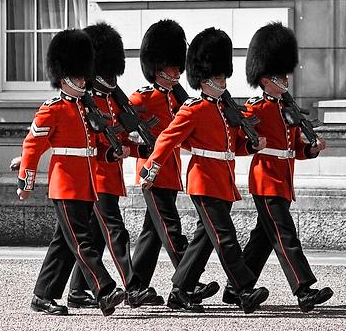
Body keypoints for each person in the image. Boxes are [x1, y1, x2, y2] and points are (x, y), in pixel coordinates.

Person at [139, 27, 269, 314]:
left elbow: (233, 146)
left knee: (205, 240)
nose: (223, 82)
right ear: (203, 79)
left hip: (223, 179)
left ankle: (180, 290)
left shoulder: (223, 110)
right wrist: (152, 167)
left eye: (224, 76)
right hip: (204, 180)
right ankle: (244, 289)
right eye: (218, 77)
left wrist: (253, 146)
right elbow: (167, 138)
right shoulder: (193, 108)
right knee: (225, 237)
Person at [221, 22, 333, 313]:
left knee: (263, 238)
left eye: (285, 74)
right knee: (285, 234)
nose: (286, 79)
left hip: (284, 179)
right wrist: (252, 145)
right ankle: (303, 289)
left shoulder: (288, 110)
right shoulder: (254, 108)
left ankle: (235, 289)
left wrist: (312, 148)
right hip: (266, 179)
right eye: (280, 75)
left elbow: (294, 149)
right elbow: (235, 143)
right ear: (265, 78)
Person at [17, 29, 125, 316]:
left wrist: (111, 152)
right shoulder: (51, 109)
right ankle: (104, 288)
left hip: (86, 184)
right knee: (82, 240)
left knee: (64, 243)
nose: (82, 80)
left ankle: (43, 295)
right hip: (65, 185)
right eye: (77, 77)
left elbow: (97, 146)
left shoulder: (86, 108)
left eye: (82, 75)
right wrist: (26, 181)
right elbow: (32, 145)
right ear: (63, 77)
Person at [66, 22, 159, 310]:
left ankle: (78, 292)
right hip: (94, 177)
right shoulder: (86, 101)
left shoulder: (112, 99)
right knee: (116, 230)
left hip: (109, 175)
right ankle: (133, 286)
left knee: (94, 235)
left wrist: (138, 148)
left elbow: (119, 137)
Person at [129, 19, 219, 305]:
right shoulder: (140, 100)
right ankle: (188, 283)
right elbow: (119, 131)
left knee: (152, 234)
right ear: (157, 68)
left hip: (172, 173)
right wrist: (138, 150)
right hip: (152, 175)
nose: (178, 71)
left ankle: (137, 288)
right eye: (172, 66)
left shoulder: (178, 99)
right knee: (171, 228)